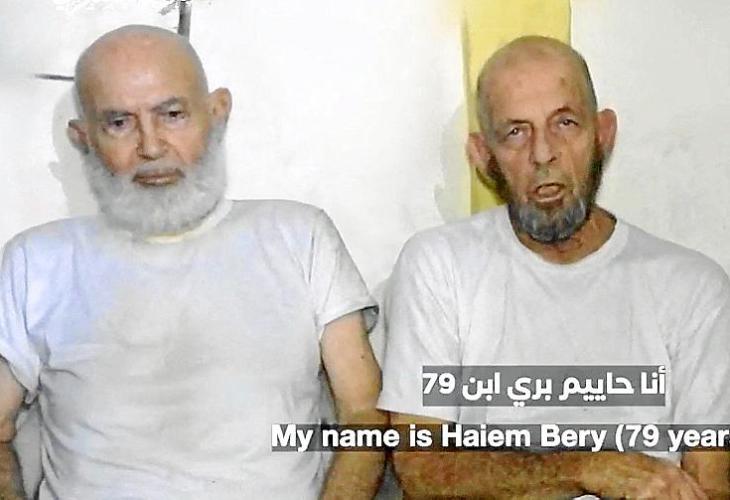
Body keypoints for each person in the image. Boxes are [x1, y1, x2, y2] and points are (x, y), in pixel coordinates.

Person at [0, 25, 386, 499]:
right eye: (119, 123)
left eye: (172, 115)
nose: (151, 146)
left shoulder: (298, 235)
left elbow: (364, 414)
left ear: (217, 112)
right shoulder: (36, 261)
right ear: (84, 138)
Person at [378, 35, 730, 499]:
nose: (543, 154)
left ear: (603, 134)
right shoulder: (439, 266)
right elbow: (422, 469)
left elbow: (710, 485)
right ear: (483, 156)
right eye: (515, 132)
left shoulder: (692, 288)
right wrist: (588, 469)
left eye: (565, 123)